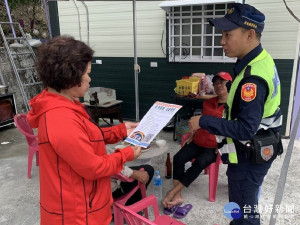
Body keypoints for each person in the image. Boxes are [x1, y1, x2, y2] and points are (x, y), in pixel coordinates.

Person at [27, 36, 142, 225]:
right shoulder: (60, 117)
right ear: (70, 76)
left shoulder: (65, 105)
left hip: (85, 204)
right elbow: (92, 167)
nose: (90, 78)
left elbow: (84, 138)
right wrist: (126, 154)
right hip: (77, 213)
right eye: (87, 73)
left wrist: (120, 130)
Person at [189, 3, 282, 225]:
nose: (222, 41)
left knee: (244, 214)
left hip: (249, 157)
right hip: (252, 150)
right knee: (242, 209)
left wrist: (204, 120)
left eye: (228, 35)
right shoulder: (259, 60)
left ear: (250, 34)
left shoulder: (253, 79)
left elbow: (245, 129)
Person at [162, 72, 232, 209]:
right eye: (216, 83)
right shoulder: (208, 103)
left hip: (214, 146)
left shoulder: (232, 107)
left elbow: (233, 129)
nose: (218, 86)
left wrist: (222, 144)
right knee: (178, 158)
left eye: (222, 83)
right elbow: (199, 122)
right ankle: (178, 195)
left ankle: (173, 192)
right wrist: (191, 135)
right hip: (198, 140)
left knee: (200, 162)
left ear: (229, 85)